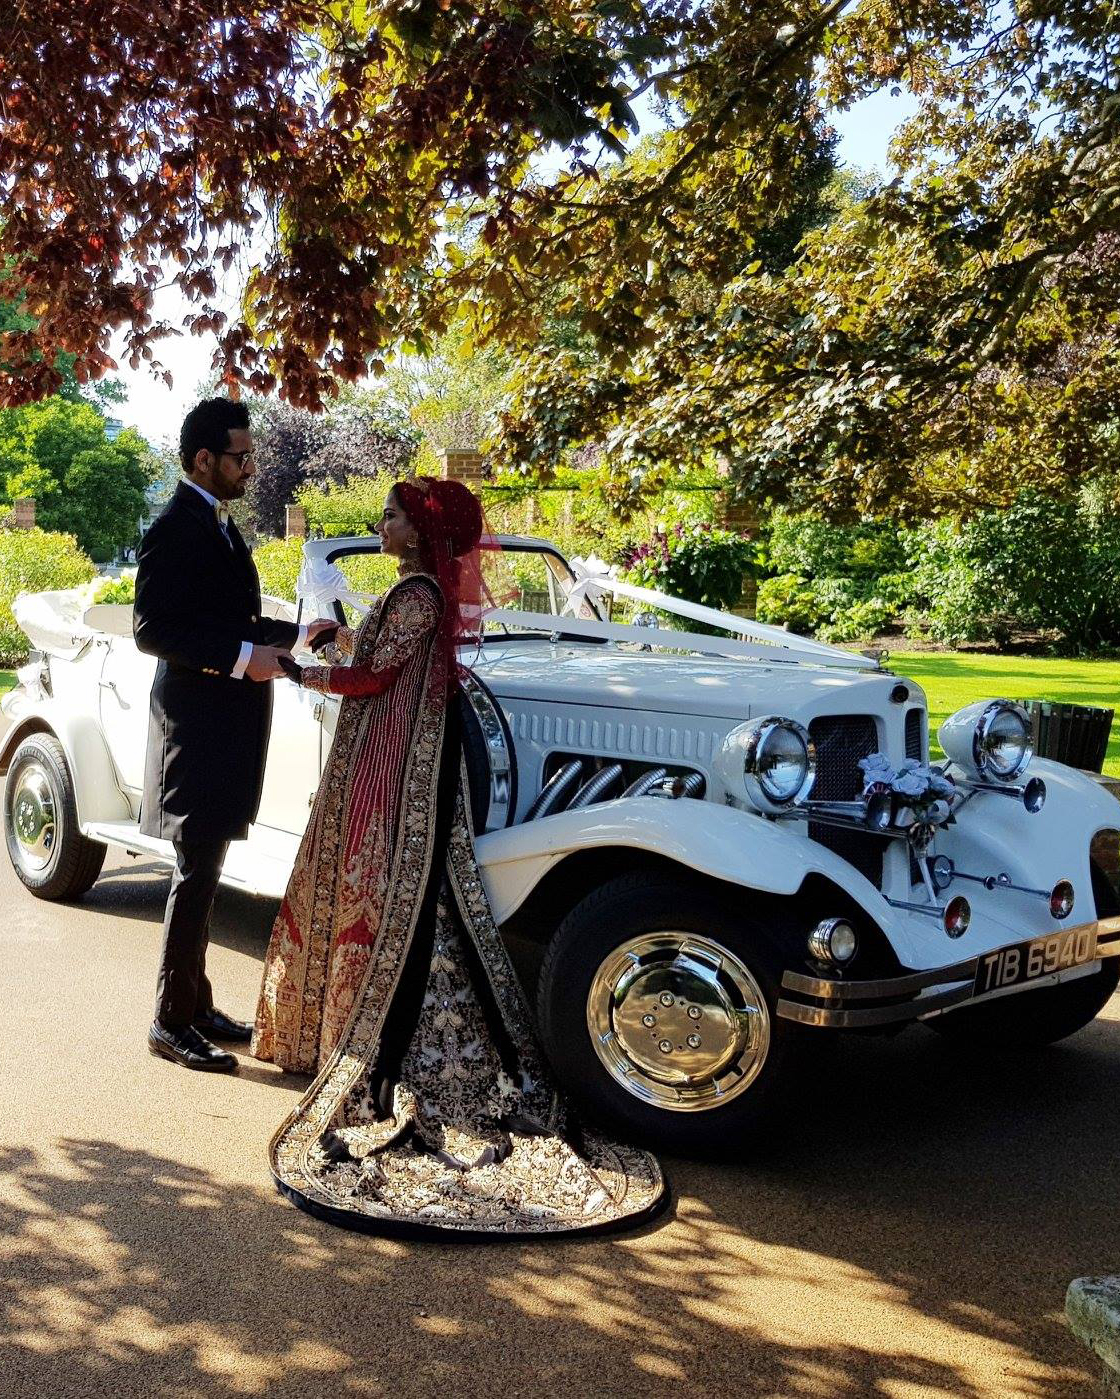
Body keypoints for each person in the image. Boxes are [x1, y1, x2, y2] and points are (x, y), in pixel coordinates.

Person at [251, 477, 666, 1238]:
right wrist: (334, 638)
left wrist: (300, 672)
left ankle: (384, 1046)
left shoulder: (419, 597)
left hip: (395, 758)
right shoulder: (413, 592)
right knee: (384, 893)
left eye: (393, 514)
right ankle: (338, 1031)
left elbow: (375, 678)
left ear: (420, 530)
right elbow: (378, 659)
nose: (381, 522)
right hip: (382, 748)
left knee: (395, 897)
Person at [134, 397, 335, 1073]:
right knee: (194, 874)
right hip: (194, 727)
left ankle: (195, 1003)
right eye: (241, 457)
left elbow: (234, 617)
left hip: (226, 726)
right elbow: (152, 630)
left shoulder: (219, 525)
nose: (251, 468)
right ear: (203, 460)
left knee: (207, 869)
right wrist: (243, 659)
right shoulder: (174, 528)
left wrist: (301, 637)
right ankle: (168, 1021)